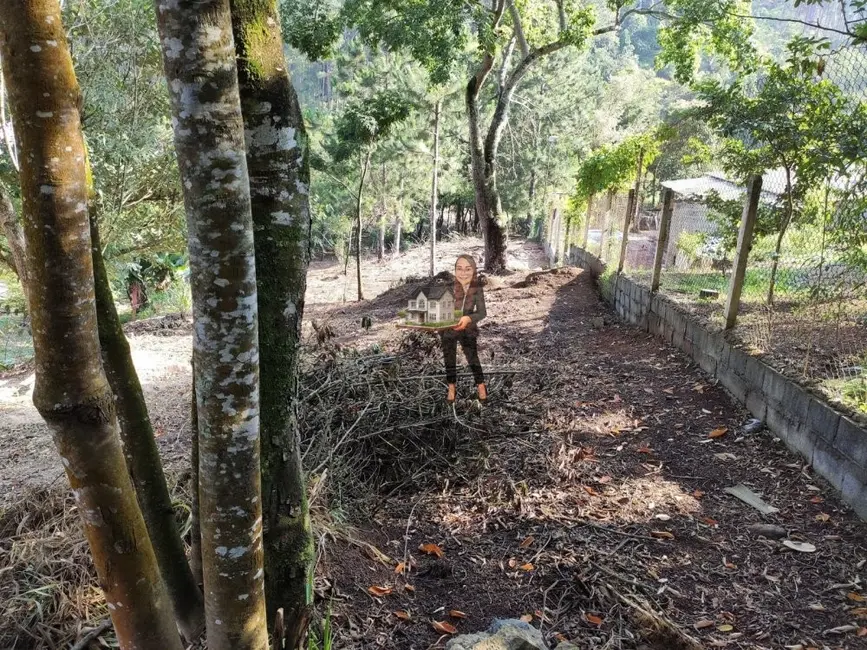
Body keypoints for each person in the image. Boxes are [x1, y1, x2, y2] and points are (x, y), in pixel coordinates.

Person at [441, 254, 487, 403]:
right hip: (448, 328)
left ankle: (481, 386)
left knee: (472, 357)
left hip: (467, 328)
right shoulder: (448, 287)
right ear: (455, 270)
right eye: (459, 268)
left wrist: (468, 318)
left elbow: (482, 312)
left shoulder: (477, 289)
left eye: (468, 269)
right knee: (449, 357)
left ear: (473, 270)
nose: (463, 272)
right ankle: (451, 387)